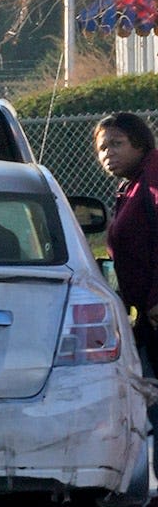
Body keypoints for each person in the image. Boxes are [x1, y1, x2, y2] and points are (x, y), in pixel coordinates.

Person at [97, 112, 158, 384]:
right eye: (102, 148)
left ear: (140, 143)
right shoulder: (131, 185)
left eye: (117, 143)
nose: (108, 153)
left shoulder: (154, 175)